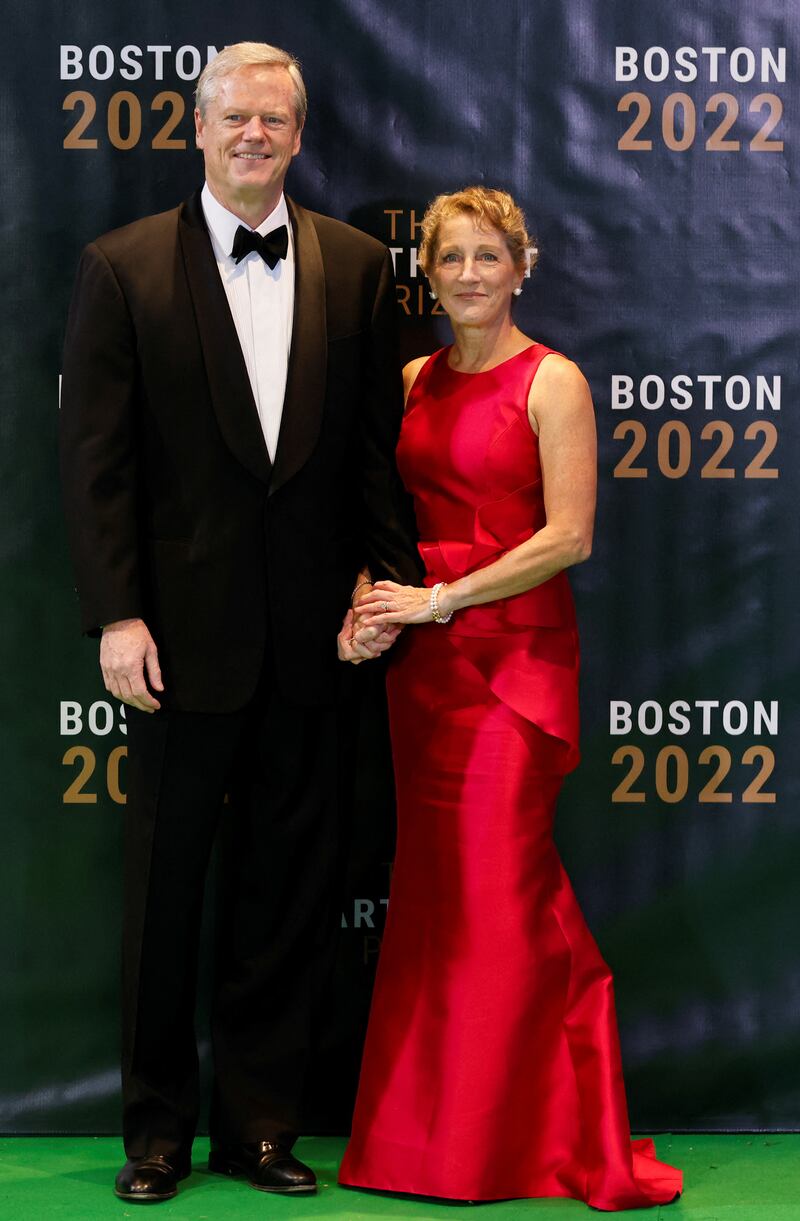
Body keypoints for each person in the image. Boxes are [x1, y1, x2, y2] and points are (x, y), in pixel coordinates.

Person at [59, 40, 419, 1204]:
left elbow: (375, 459)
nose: (254, 135)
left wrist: (382, 584)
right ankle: (156, 1132)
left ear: (300, 135)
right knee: (165, 900)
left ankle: (260, 1128)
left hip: (313, 645)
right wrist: (117, 615)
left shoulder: (360, 268)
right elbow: (96, 467)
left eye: (274, 118)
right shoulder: (121, 268)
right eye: (234, 118)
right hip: (176, 645)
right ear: (197, 131)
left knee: (285, 897)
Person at [337, 187, 682, 1209]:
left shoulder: (553, 380)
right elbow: (385, 518)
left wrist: (441, 597)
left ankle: (509, 1147)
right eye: (452, 260)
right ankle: (421, 1144)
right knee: (435, 905)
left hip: (513, 669)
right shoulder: (409, 377)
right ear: (428, 274)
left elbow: (568, 537)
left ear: (519, 268)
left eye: (489, 257)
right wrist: (373, 601)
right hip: (424, 674)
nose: (471, 275)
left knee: (497, 896)